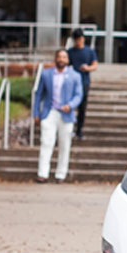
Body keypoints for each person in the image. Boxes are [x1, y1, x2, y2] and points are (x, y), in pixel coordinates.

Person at [33, 50, 84, 183]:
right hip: (49, 112)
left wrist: (71, 105)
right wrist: (36, 113)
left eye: (64, 57)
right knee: (46, 142)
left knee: (64, 145)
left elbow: (79, 95)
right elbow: (39, 94)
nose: (61, 59)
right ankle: (43, 173)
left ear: (68, 60)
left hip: (66, 114)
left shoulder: (75, 76)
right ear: (55, 59)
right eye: (59, 57)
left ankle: (61, 174)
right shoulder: (46, 74)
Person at [66, 28, 98, 140]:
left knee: (82, 107)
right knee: (70, 105)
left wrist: (88, 68)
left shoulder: (89, 51)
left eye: (79, 39)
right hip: (71, 82)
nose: (78, 41)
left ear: (83, 39)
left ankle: (79, 130)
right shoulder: (70, 52)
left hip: (84, 81)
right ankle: (69, 129)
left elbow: (95, 65)